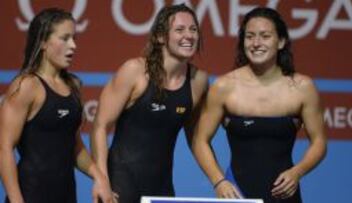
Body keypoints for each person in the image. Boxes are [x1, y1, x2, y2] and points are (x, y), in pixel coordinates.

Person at [192, 7, 327, 203]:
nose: (256, 43)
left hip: (285, 196)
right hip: (237, 195)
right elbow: (200, 140)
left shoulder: (302, 88)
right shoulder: (224, 87)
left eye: (265, 36)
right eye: (250, 36)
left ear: (280, 42)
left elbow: (319, 142)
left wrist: (297, 172)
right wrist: (219, 181)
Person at [90, 3, 208, 203]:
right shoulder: (134, 71)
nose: (189, 35)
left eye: (193, 29)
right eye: (179, 30)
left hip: (162, 190)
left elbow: (196, 137)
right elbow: (99, 126)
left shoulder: (198, 81)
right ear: (160, 37)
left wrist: (218, 180)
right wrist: (102, 180)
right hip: (120, 186)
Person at [0, 8, 114, 203]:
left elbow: (75, 146)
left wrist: (100, 178)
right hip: (30, 195)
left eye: (74, 38)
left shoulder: (73, 86)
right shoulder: (26, 86)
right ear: (43, 41)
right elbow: (4, 147)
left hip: (67, 196)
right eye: (65, 38)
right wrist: (16, 200)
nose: (73, 45)